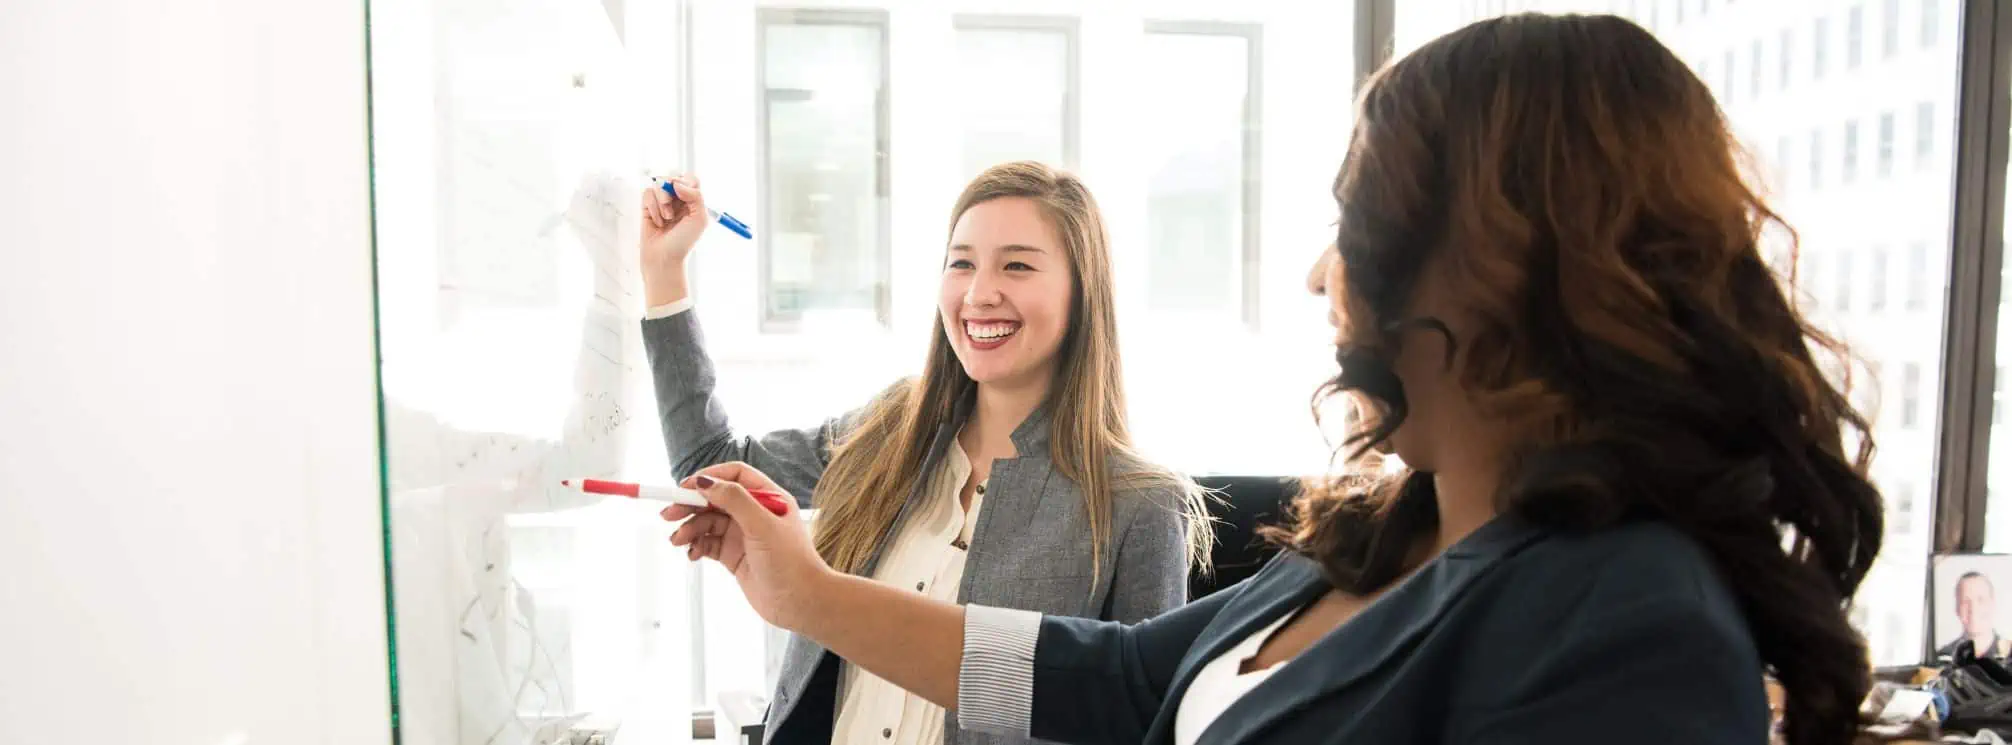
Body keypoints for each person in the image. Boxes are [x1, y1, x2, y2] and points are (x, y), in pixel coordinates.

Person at [661, 13, 1884, 745]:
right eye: (959, 260)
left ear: (1491, 265)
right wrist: (806, 594)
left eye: (1353, 223)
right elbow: (1119, 674)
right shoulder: (1369, 540)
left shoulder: (1627, 623)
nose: (1315, 274)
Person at [638, 161, 1209, 745]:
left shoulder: (1139, 505)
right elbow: (707, 467)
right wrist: (665, 272)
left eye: (1016, 265)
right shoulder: (893, 430)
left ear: (1082, 291)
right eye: (961, 263)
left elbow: (1148, 722)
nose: (979, 293)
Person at [1941, 571, 2012, 660]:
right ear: (1956, 607)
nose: (1973, 609)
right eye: (1965, 601)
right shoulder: (1943, 657)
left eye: (1981, 599)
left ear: (1993, 604)